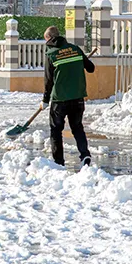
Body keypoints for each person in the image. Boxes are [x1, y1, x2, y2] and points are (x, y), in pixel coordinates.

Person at [41, 26, 95, 167]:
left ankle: (59, 162)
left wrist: (45, 99)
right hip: (78, 97)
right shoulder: (75, 49)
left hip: (60, 99)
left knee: (56, 130)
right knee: (77, 127)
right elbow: (91, 68)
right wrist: (81, 61)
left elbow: (48, 80)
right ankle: (85, 155)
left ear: (49, 38)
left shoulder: (51, 54)